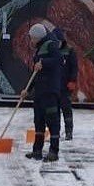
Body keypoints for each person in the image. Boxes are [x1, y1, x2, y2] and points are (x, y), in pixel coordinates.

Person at [25, 23, 62, 163]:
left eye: (32, 38)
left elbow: (59, 60)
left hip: (50, 90)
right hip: (40, 91)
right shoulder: (39, 49)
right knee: (39, 121)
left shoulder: (51, 45)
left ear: (38, 37)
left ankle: (53, 151)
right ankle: (37, 151)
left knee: (52, 121)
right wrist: (27, 90)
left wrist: (44, 63)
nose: (31, 40)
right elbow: (35, 74)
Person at [50, 26, 78, 140]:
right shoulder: (51, 51)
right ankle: (55, 132)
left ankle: (69, 132)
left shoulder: (69, 51)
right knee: (54, 111)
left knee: (66, 110)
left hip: (65, 86)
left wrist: (72, 80)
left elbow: (74, 67)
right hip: (53, 86)